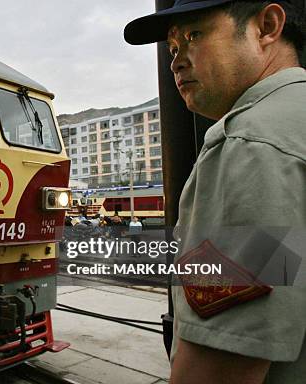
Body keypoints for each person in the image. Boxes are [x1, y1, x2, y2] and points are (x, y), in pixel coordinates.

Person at [125, 1, 305, 383]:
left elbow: (222, 364)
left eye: (194, 35)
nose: (176, 62)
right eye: (173, 49)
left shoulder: (250, 148)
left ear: (267, 26)